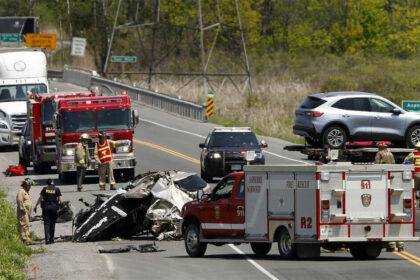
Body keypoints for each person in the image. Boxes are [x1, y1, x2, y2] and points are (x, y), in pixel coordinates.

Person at [34, 179, 63, 244]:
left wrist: (36, 206)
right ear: (52, 182)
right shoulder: (57, 189)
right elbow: (61, 200)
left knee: (46, 223)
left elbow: (40, 198)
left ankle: (47, 239)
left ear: (47, 183)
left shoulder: (44, 189)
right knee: (52, 223)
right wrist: (62, 207)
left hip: (46, 207)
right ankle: (52, 239)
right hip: (54, 207)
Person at [16, 178, 35, 244]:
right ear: (25, 185)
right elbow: (19, 200)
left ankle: (26, 238)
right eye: (29, 185)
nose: (30, 187)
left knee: (26, 224)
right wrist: (23, 209)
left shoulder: (26, 191)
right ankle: (25, 239)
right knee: (24, 224)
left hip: (26, 212)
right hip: (23, 212)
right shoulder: (21, 191)